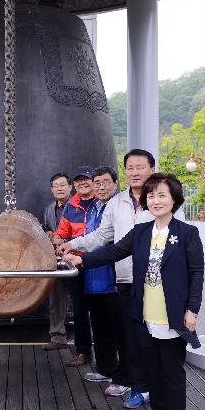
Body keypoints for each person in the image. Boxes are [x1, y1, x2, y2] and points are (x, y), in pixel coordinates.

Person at [64, 173, 204, 410]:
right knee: (151, 368)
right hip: (144, 311)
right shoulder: (141, 232)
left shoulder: (187, 234)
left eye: (162, 195)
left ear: (175, 198)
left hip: (172, 315)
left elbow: (196, 274)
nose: (156, 200)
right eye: (151, 195)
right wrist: (80, 259)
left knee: (172, 371)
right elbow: (112, 251)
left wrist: (192, 310)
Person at [58, 148, 155, 409]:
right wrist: (72, 244)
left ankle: (157, 386)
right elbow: (101, 236)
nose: (135, 172)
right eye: (130, 167)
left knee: (156, 336)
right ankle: (139, 385)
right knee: (130, 335)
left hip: (156, 281)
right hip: (125, 279)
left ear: (151, 170)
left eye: (140, 167)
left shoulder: (160, 199)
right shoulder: (117, 203)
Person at [81, 166, 130, 395]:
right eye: (97, 182)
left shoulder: (120, 207)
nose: (100, 186)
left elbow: (105, 240)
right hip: (93, 278)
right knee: (99, 328)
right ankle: (106, 368)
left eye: (105, 182)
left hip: (113, 279)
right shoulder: (94, 208)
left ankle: (123, 377)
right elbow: (92, 238)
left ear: (115, 183)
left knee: (119, 331)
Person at [52, 165, 97, 367]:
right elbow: (61, 233)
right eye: (79, 180)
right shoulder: (71, 207)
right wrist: (59, 244)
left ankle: (108, 353)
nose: (83, 183)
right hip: (77, 265)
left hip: (100, 263)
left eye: (86, 179)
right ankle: (83, 351)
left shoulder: (103, 203)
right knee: (79, 311)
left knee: (102, 311)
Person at [42, 172, 72, 350]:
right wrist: (48, 234)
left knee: (83, 300)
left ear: (70, 188)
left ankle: (86, 339)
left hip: (77, 258)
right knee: (57, 298)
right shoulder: (48, 209)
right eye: (56, 186)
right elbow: (47, 227)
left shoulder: (77, 207)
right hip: (56, 260)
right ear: (52, 189)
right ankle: (58, 336)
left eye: (63, 185)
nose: (59, 188)